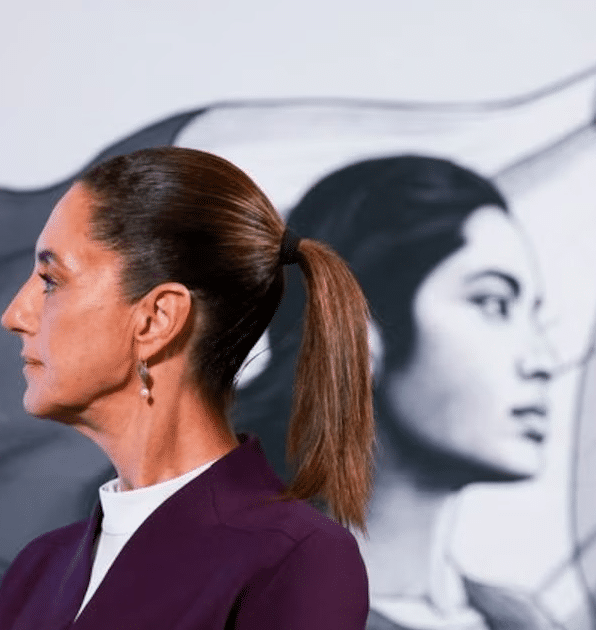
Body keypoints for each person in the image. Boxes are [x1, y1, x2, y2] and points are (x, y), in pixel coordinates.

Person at [0, 146, 374, 629]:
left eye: (50, 280)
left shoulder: (294, 558)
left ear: (156, 319)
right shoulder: (37, 572)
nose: (14, 316)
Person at [235, 156, 564, 630]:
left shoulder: (522, 620)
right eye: (493, 303)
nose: (542, 361)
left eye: (533, 314)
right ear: (356, 335)